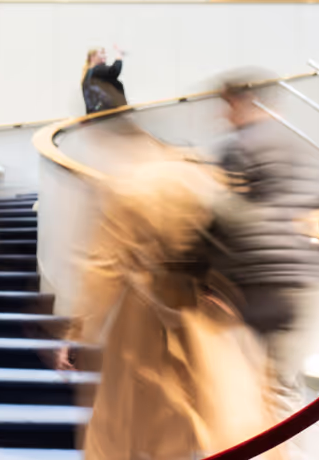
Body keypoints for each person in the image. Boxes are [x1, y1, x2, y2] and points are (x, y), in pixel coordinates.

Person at [57, 160, 281, 459]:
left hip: (143, 322)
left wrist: (78, 334)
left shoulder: (129, 186)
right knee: (208, 417)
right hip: (204, 317)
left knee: (124, 426)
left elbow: (103, 270)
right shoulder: (204, 177)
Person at [212, 73, 319, 405]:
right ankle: (276, 451)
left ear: (238, 103)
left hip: (253, 282)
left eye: (226, 106)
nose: (223, 115)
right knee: (274, 388)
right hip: (297, 281)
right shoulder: (297, 144)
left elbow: (223, 213)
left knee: (235, 387)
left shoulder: (239, 145)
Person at [81, 45, 127, 114]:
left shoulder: (91, 73)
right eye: (102, 53)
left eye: (104, 54)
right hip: (105, 114)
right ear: (92, 57)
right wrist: (119, 57)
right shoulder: (96, 70)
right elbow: (114, 71)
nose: (105, 56)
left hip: (100, 114)